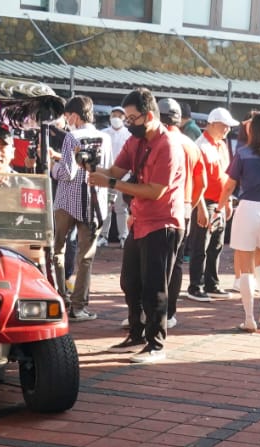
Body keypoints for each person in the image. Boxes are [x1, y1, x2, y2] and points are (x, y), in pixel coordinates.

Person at [87, 88, 185, 364]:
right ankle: (137, 333)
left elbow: (155, 191)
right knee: (130, 282)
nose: (128, 123)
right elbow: (115, 172)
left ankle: (156, 345)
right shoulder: (135, 142)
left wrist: (110, 183)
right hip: (140, 220)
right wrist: (90, 167)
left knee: (155, 286)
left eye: (132, 118)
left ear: (149, 115)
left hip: (164, 222)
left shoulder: (168, 145)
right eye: (126, 118)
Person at [220, 110, 260, 332]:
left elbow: (229, 185)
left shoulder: (244, 153)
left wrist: (220, 205)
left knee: (245, 266)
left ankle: (249, 319)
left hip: (248, 209)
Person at [50, 95, 111, 322]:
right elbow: (108, 170)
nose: (66, 120)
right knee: (86, 257)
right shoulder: (105, 137)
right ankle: (79, 307)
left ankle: (59, 298)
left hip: (67, 202)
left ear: (74, 115)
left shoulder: (71, 137)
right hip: (94, 204)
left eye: (67, 116)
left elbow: (67, 172)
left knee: (57, 250)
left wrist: (52, 166)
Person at [158, 98, 204, 328]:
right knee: (174, 263)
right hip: (183, 206)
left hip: (156, 206)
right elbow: (202, 182)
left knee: (151, 263)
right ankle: (168, 313)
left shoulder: (156, 141)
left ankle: (147, 314)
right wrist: (191, 205)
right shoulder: (190, 143)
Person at [186, 107, 237, 301]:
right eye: (224, 125)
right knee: (200, 245)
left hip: (220, 201)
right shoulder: (200, 146)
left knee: (216, 244)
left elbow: (226, 175)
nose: (227, 130)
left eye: (228, 126)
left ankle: (211, 283)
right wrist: (200, 207)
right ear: (212, 123)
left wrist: (228, 201)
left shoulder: (221, 146)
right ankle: (195, 285)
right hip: (205, 201)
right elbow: (195, 179)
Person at [100, 106, 131, 247]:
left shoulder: (129, 134)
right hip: (105, 175)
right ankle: (103, 236)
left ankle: (123, 236)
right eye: (114, 115)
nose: (117, 118)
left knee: (121, 208)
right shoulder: (103, 134)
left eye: (120, 115)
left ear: (125, 118)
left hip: (123, 177)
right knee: (104, 207)